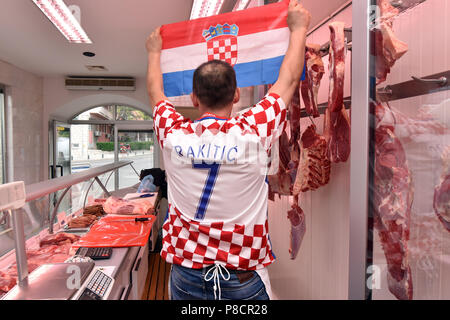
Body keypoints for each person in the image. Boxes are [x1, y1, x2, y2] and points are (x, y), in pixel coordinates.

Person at [145, 0, 310, 300]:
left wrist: (154, 51)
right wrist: (298, 29)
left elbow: (156, 92)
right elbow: (287, 81)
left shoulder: (172, 133)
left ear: (194, 98)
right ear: (236, 95)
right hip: (241, 280)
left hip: (186, 277)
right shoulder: (254, 130)